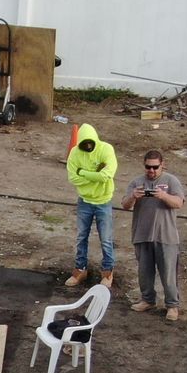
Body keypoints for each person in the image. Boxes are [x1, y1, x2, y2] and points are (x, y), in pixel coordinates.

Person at [121, 149, 186, 320]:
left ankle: (172, 305)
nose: (151, 171)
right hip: (142, 234)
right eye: (148, 167)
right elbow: (125, 205)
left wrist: (163, 196)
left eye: (155, 167)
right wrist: (133, 196)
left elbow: (179, 203)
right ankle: (147, 299)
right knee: (144, 272)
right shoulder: (137, 182)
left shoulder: (171, 181)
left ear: (162, 165)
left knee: (168, 273)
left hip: (166, 236)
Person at [65, 123, 118, 288]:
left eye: (90, 143)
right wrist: (95, 174)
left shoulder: (106, 149)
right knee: (81, 237)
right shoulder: (75, 153)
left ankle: (107, 272)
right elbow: (73, 178)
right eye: (84, 144)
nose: (88, 147)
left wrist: (83, 172)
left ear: (95, 140)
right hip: (84, 201)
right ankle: (80, 269)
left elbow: (107, 175)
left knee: (106, 239)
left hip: (103, 201)